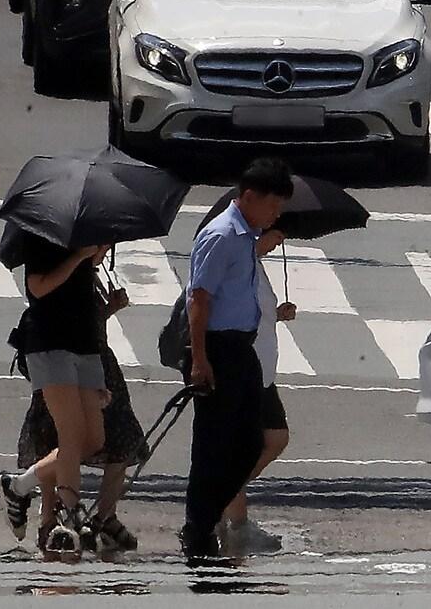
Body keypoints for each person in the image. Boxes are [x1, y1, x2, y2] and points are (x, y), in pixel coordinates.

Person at [180, 158, 292, 565]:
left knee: (248, 443)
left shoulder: (247, 237)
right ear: (248, 197)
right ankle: (198, 528)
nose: (275, 215)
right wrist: (199, 359)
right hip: (217, 348)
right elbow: (199, 299)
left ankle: (209, 516)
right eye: (272, 206)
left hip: (243, 348)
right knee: (213, 445)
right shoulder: (222, 235)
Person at [12, 261, 147, 558]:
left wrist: (108, 308)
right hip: (64, 358)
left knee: (115, 442)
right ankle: (49, 518)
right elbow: (49, 300)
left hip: (92, 360)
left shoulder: (87, 272)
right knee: (59, 440)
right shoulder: (67, 261)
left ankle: (101, 516)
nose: (104, 250)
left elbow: (87, 319)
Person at [0, 239, 113, 558]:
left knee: (93, 440)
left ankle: (18, 486)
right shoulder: (43, 235)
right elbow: (38, 287)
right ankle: (69, 518)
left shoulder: (85, 230)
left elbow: (84, 284)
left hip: (84, 343)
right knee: (71, 435)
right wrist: (78, 256)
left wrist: (96, 253)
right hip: (49, 341)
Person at [218, 228, 293, 556]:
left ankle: (221, 498)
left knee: (275, 437)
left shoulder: (255, 264)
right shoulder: (237, 262)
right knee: (246, 446)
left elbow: (255, 312)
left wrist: (277, 315)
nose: (279, 241)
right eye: (275, 234)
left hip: (262, 369)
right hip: (243, 368)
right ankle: (235, 521)